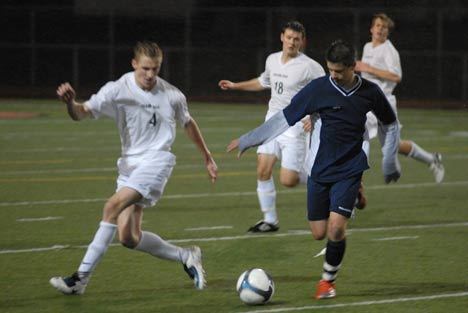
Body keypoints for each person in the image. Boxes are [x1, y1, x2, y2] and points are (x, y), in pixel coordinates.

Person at [227, 40, 401, 299]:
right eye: (330, 69)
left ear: (353, 67)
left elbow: (390, 123)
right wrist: (250, 139)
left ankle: (327, 282)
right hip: (319, 169)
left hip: (350, 167)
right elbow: (285, 117)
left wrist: (389, 160)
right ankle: (354, 195)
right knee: (319, 233)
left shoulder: (370, 92)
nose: (333, 75)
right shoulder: (318, 90)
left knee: (335, 230)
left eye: (339, 71)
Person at [49, 41, 218, 295]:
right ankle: (186, 255)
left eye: (156, 69)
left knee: (111, 206)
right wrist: (70, 103)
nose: (150, 75)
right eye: (145, 69)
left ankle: (80, 279)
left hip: (157, 162)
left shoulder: (172, 95)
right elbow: (81, 112)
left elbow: (187, 122)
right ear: (134, 64)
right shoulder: (117, 90)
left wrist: (207, 156)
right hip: (129, 165)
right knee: (128, 237)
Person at [218, 21, 325, 232]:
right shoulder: (272, 60)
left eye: (297, 39)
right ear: (282, 37)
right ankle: (270, 220)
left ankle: (330, 183)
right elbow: (262, 82)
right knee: (263, 170)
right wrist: (235, 86)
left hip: (293, 126)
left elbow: (326, 93)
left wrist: (315, 116)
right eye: (289, 37)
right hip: (272, 123)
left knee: (288, 180)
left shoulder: (310, 67)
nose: (292, 42)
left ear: (302, 41)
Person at [355, 13, 444, 184]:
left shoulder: (390, 50)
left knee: (360, 134)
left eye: (384, 27)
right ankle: (432, 159)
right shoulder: (367, 47)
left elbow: (396, 76)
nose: (381, 29)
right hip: (368, 103)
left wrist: (370, 68)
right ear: (371, 29)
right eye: (378, 26)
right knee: (387, 143)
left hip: (384, 104)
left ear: (388, 31)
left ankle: (353, 183)